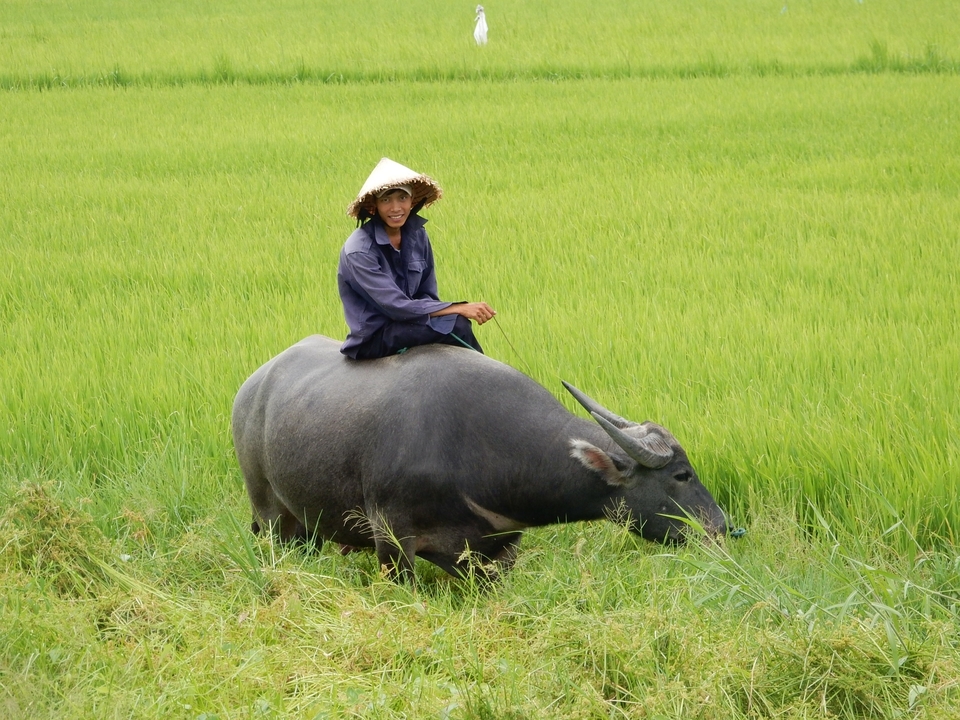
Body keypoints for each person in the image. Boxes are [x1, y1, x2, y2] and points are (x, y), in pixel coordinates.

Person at [337, 157, 496, 360]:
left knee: (456, 321)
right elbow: (395, 306)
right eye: (386, 200)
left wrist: (450, 312)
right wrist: (459, 307)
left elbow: (427, 293)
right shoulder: (359, 251)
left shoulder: (418, 235)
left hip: (411, 323)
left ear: (412, 201)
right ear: (373, 206)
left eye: (402, 198)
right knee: (457, 325)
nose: (396, 208)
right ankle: (481, 388)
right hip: (376, 335)